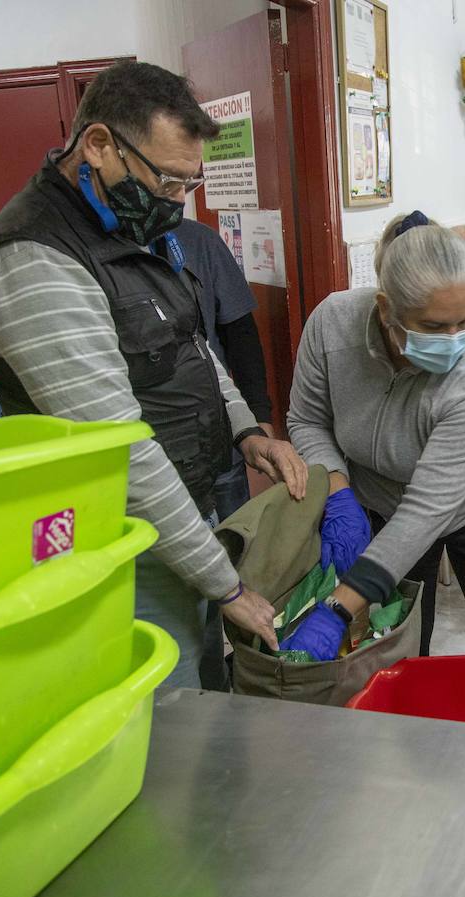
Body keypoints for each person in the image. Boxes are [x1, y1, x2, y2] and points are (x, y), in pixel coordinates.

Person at [0, 61, 308, 690]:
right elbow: (120, 450)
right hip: (117, 540)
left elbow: (191, 343)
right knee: (162, 709)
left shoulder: (130, 226)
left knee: (206, 683)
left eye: (188, 182)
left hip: (183, 517)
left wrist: (247, 431)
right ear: (99, 145)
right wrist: (226, 584)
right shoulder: (35, 258)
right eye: (168, 180)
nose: (178, 200)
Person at [283, 210, 465, 660]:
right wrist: (337, 489)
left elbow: (427, 509)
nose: (454, 340)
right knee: (403, 641)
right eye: (433, 327)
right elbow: (307, 420)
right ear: (385, 308)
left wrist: (337, 609)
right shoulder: (333, 323)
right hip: (379, 501)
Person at [171, 217, 278, 690]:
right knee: (186, 601)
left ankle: (244, 674)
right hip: (157, 466)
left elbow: (237, 337)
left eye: (185, 184)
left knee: (237, 560)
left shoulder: (198, 243)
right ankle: (208, 684)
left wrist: (256, 421)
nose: (177, 195)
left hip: (219, 442)